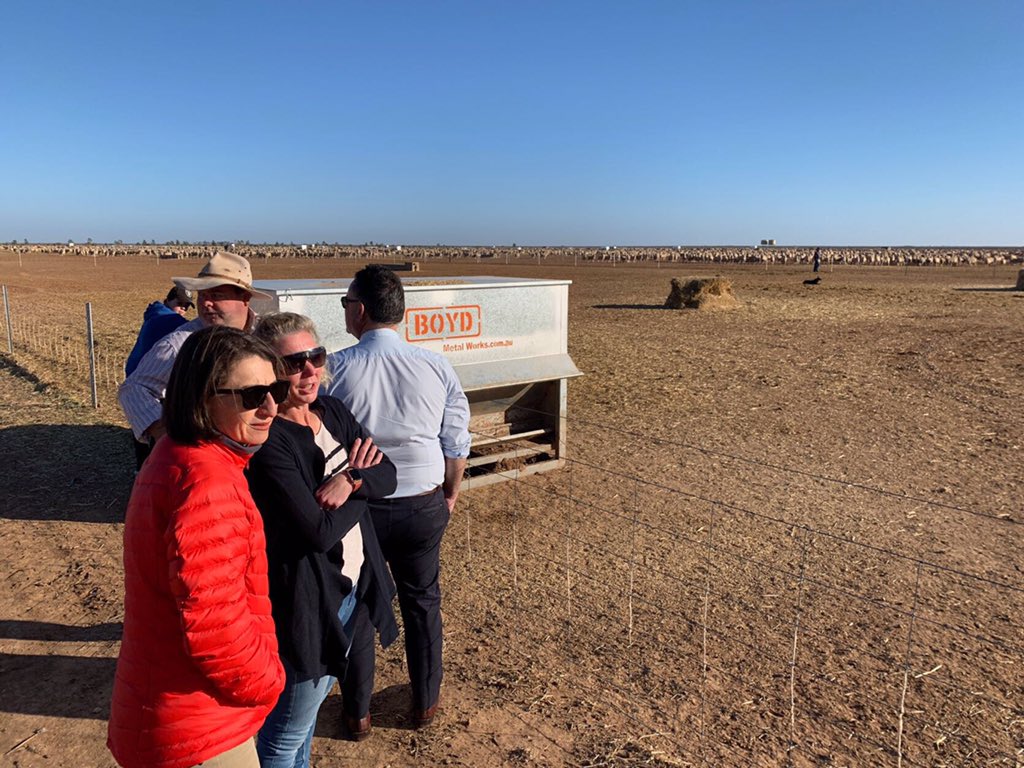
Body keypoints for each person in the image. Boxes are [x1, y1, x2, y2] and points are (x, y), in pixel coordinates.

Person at [108, 326, 289, 768]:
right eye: (251, 395)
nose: (269, 407)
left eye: (276, 390)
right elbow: (215, 628)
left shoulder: (175, 455)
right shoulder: (209, 482)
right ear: (205, 397)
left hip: (167, 712)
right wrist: (269, 680)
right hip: (200, 730)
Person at [246, 312, 400, 764]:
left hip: (351, 592)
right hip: (310, 603)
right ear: (270, 371)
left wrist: (349, 480)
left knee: (305, 723)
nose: (310, 370)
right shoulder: (272, 442)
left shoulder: (332, 411)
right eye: (294, 363)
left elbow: (387, 474)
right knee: (284, 733)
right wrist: (360, 483)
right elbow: (317, 530)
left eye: (316, 356)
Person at [325, 265, 471, 729]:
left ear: (360, 311)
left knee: (361, 604)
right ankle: (425, 702)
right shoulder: (435, 365)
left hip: (359, 507)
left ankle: (357, 712)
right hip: (423, 503)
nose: (347, 311)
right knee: (423, 601)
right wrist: (449, 493)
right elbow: (456, 438)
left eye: (346, 303)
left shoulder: (335, 369)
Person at [118, 251, 268, 467]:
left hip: (264, 452)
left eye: (216, 295)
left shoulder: (268, 335)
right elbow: (133, 388)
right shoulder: (181, 343)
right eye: (202, 295)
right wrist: (166, 432)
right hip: (210, 460)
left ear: (245, 298)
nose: (205, 303)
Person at [124, 285, 194, 376]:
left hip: (138, 369)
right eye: (180, 304)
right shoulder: (164, 318)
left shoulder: (156, 312)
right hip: (142, 374)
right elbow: (192, 330)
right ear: (168, 300)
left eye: (186, 306)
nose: (183, 309)